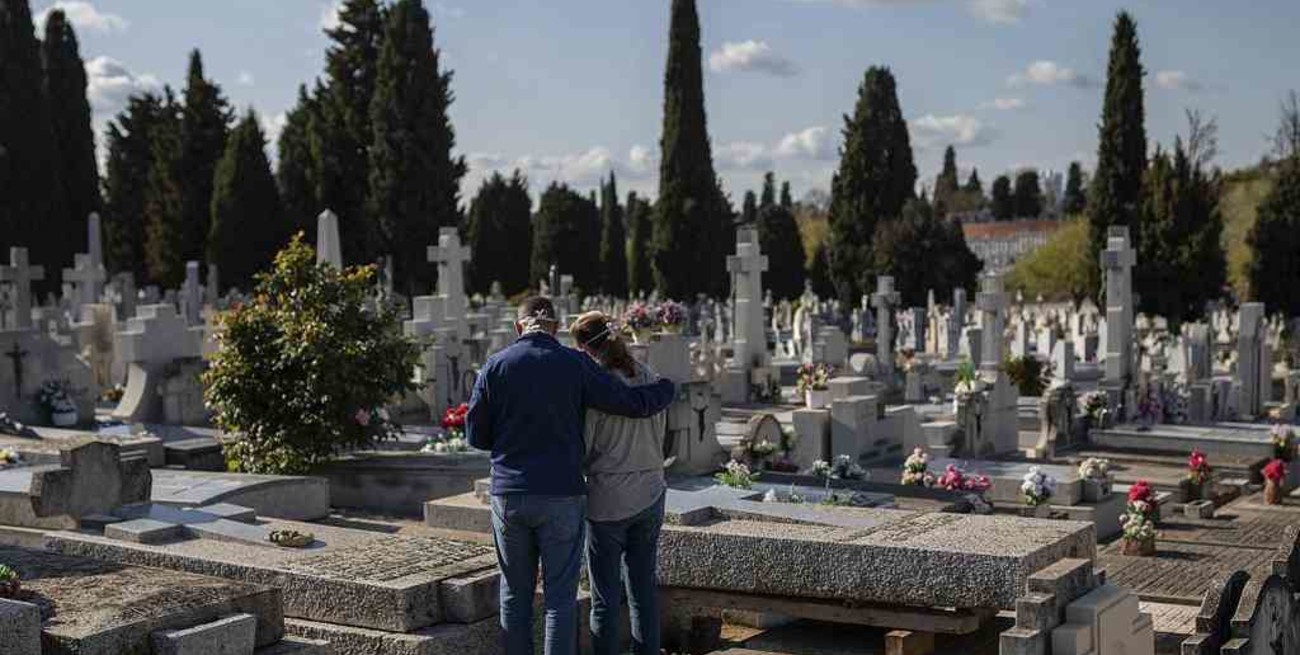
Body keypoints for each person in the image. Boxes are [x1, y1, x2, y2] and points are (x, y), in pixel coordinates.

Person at [466, 297, 676, 655]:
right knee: (559, 600)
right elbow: (627, 403)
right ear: (555, 327)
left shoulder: (495, 366)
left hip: (510, 491)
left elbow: (476, 436)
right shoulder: (574, 362)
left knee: (514, 594)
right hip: (561, 492)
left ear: (519, 327)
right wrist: (667, 390)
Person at [570, 312, 669, 655]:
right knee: (643, 593)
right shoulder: (649, 378)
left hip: (609, 498)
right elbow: (661, 437)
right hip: (652, 490)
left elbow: (584, 448)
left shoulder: (597, 390)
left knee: (605, 600)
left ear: (585, 348)